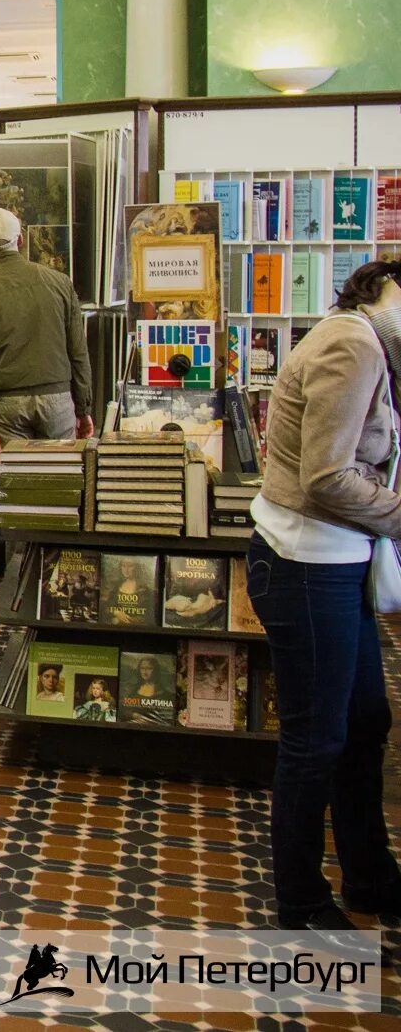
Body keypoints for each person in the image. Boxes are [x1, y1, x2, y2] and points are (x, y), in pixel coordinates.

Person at [246, 260, 401, 929]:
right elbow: (327, 475)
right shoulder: (354, 343)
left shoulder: (369, 344)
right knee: (317, 740)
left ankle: (370, 873)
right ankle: (302, 900)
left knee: (366, 721)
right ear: (376, 292)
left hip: (334, 559)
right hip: (307, 560)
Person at [0, 207, 94, 465]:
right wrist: (83, 408)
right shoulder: (60, 282)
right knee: (60, 480)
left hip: (6, 404)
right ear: (20, 240)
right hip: (57, 397)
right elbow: (78, 351)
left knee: (16, 485)